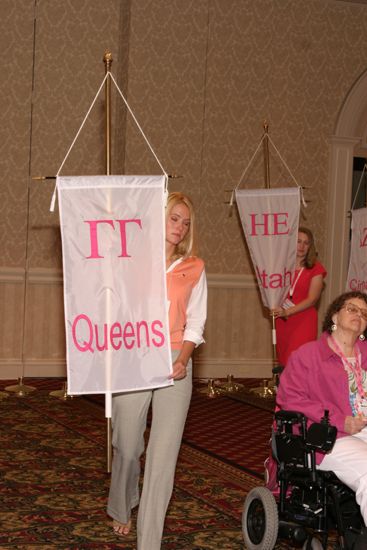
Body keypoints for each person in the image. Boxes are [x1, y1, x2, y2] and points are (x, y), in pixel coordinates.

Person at [107, 192, 207, 550]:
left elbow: (196, 321)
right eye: (174, 218)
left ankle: (149, 542)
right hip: (133, 354)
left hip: (175, 359)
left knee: (163, 456)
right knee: (127, 444)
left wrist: (183, 358)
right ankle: (122, 504)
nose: (180, 227)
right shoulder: (129, 258)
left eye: (186, 222)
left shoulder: (194, 266)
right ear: (159, 218)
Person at [277, 291, 367, 530]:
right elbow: (290, 399)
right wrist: (340, 421)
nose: (358, 315)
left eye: (364, 313)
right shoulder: (309, 355)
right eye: (351, 309)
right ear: (334, 315)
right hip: (327, 436)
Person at [271, 227, 327, 366]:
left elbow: (312, 299)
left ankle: (300, 388)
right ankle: (284, 388)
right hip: (282, 320)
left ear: (310, 247)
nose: (302, 246)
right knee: (284, 359)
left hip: (304, 319)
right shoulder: (280, 267)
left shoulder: (316, 268)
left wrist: (287, 311)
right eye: (298, 241)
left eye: (306, 243)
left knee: (298, 359)